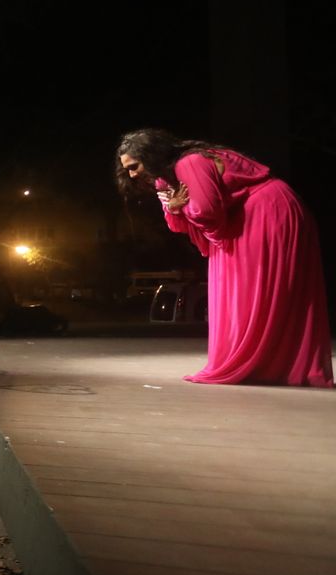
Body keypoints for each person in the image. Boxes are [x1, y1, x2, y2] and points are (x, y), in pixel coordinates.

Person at [116, 128, 333, 386]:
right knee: (261, 292)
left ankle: (265, 365)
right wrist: (175, 207)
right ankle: (271, 365)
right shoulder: (172, 175)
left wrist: (181, 207)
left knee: (256, 291)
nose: (132, 174)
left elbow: (206, 212)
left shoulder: (190, 162)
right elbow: (177, 220)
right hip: (259, 214)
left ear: (151, 155)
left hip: (266, 214)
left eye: (134, 165)